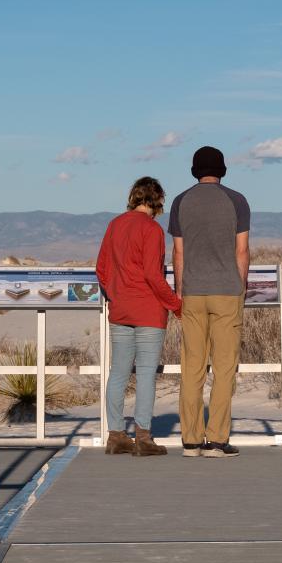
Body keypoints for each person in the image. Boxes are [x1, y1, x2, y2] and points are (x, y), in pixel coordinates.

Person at [169, 145, 251, 457]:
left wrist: (179, 288)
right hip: (227, 290)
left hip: (192, 291)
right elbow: (241, 250)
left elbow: (178, 252)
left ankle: (191, 440)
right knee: (224, 367)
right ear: (222, 169)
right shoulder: (237, 200)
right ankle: (217, 439)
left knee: (192, 367)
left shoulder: (181, 201)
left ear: (194, 170)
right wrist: (240, 285)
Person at [94, 175, 184, 455]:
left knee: (118, 373)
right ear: (157, 200)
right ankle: (143, 437)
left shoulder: (115, 225)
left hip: (120, 309)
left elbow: (101, 269)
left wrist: (116, 293)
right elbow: (152, 275)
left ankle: (116, 434)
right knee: (145, 374)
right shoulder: (152, 230)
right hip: (148, 310)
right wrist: (175, 304)